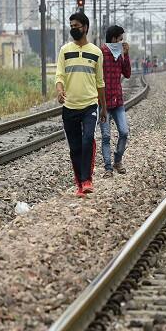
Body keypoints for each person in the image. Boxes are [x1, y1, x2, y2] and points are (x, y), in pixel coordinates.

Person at [55, 13, 107, 197]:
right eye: (71, 25)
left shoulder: (96, 52)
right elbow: (59, 75)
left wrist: (103, 108)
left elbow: (100, 82)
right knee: (75, 147)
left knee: (87, 140)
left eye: (76, 25)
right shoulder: (64, 50)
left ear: (85, 27)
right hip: (69, 106)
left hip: (89, 105)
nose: (73, 28)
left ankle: (87, 180)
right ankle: (79, 184)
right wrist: (60, 90)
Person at [99, 25, 131, 178]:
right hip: (104, 103)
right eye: (120, 39)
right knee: (105, 136)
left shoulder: (120, 53)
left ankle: (117, 160)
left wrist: (126, 55)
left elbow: (128, 73)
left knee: (124, 132)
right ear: (113, 39)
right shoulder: (101, 53)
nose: (122, 42)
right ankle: (107, 168)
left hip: (118, 102)